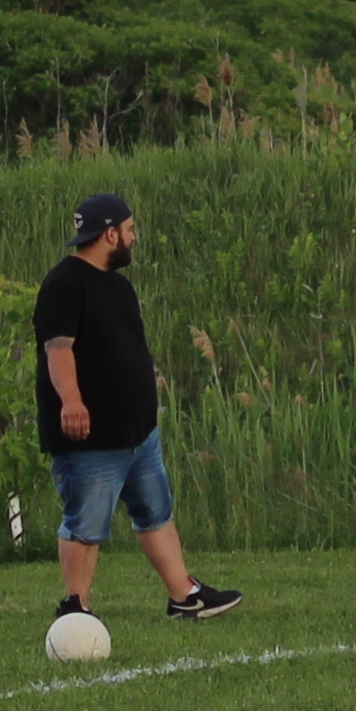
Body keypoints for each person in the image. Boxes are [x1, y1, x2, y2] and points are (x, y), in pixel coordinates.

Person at [34, 195, 241, 628]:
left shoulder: (118, 285)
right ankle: (76, 606)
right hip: (93, 435)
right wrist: (71, 402)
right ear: (110, 234)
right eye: (129, 229)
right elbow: (58, 349)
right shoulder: (65, 283)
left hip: (137, 431)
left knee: (154, 511)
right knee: (86, 520)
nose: (133, 236)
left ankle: (185, 596)